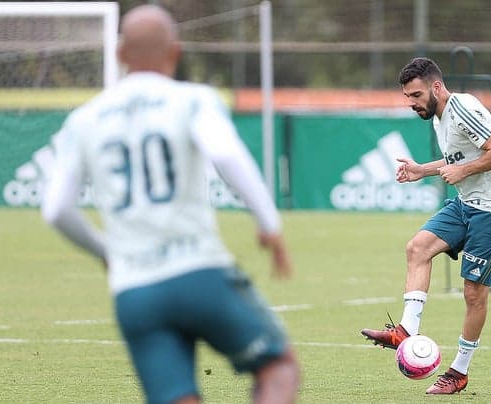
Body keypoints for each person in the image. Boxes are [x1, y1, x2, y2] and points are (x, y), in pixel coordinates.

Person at [41, 5, 300, 404]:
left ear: (119, 54)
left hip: (135, 291)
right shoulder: (193, 99)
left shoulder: (83, 120)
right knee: (277, 367)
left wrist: (106, 251)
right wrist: (269, 223)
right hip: (199, 272)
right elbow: (228, 157)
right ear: (175, 52)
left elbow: (56, 209)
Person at [361, 57, 491, 395]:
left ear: (436, 87)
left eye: (416, 95)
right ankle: (406, 330)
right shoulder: (439, 116)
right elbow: (458, 159)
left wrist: (462, 173)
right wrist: (423, 170)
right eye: (407, 97)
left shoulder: (462, 108)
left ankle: (458, 372)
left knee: (473, 293)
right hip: (466, 204)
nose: (411, 103)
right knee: (417, 248)